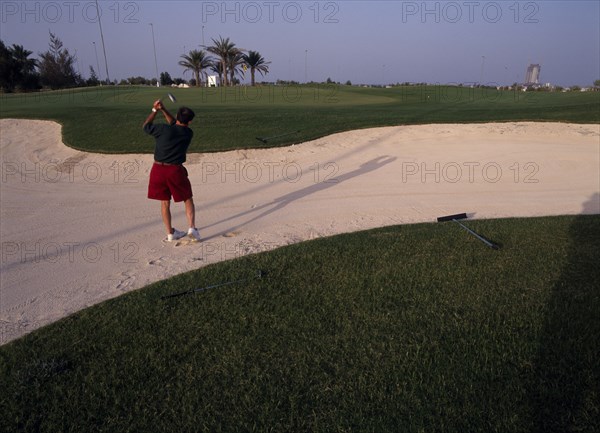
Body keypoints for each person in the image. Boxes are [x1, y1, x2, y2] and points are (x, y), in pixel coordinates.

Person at [143, 99, 201, 242]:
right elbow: (175, 124)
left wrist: (155, 110)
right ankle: (192, 228)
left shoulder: (163, 129)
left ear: (177, 116)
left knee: (164, 203)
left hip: (157, 170)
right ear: (190, 121)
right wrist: (163, 109)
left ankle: (170, 233)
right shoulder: (188, 133)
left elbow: (146, 126)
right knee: (187, 198)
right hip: (175, 171)